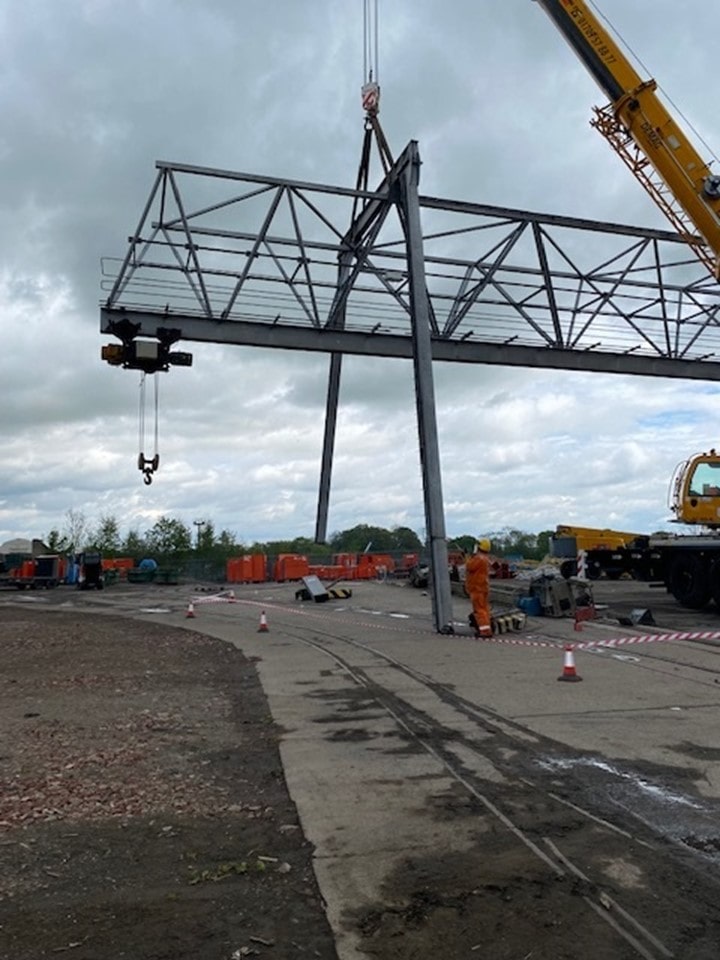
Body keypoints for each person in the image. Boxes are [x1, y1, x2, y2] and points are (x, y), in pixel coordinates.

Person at [465, 538, 492, 637]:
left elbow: (469, 567)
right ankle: (487, 628)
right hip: (483, 587)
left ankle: (484, 631)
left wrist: (467, 557)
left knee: (479, 610)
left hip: (477, 588)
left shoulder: (478, 558)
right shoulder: (485, 558)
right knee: (484, 610)